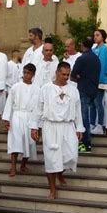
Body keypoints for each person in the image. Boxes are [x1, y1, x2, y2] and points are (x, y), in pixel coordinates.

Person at [30, 62, 83, 200]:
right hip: (51, 126)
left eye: (68, 74)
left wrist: (79, 127)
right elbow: (38, 108)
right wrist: (34, 126)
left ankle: (60, 172)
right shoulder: (46, 89)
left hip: (68, 126)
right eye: (63, 74)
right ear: (57, 73)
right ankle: (52, 190)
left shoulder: (73, 90)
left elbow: (78, 110)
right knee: (52, 160)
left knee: (71, 156)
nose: (66, 77)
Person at [2, 63, 38, 176]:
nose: (26, 75)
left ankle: (23, 165)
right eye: (24, 72)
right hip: (17, 116)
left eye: (28, 73)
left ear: (33, 74)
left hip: (30, 116)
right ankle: (13, 167)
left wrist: (36, 124)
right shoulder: (15, 87)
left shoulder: (37, 89)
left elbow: (37, 107)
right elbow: (9, 103)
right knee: (16, 142)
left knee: (30, 143)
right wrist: (6, 118)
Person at [71, 36, 100, 153]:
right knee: (89, 114)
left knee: (83, 117)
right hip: (94, 89)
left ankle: (86, 143)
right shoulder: (95, 58)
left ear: (82, 45)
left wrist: (79, 77)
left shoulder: (82, 58)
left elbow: (73, 74)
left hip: (83, 89)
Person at [91, 28, 107, 131]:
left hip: (101, 79)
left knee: (98, 102)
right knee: (92, 103)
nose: (95, 37)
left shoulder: (105, 48)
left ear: (103, 37)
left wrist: (104, 77)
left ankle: (100, 124)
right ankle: (92, 123)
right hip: (92, 80)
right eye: (94, 35)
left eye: (97, 35)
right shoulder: (93, 49)